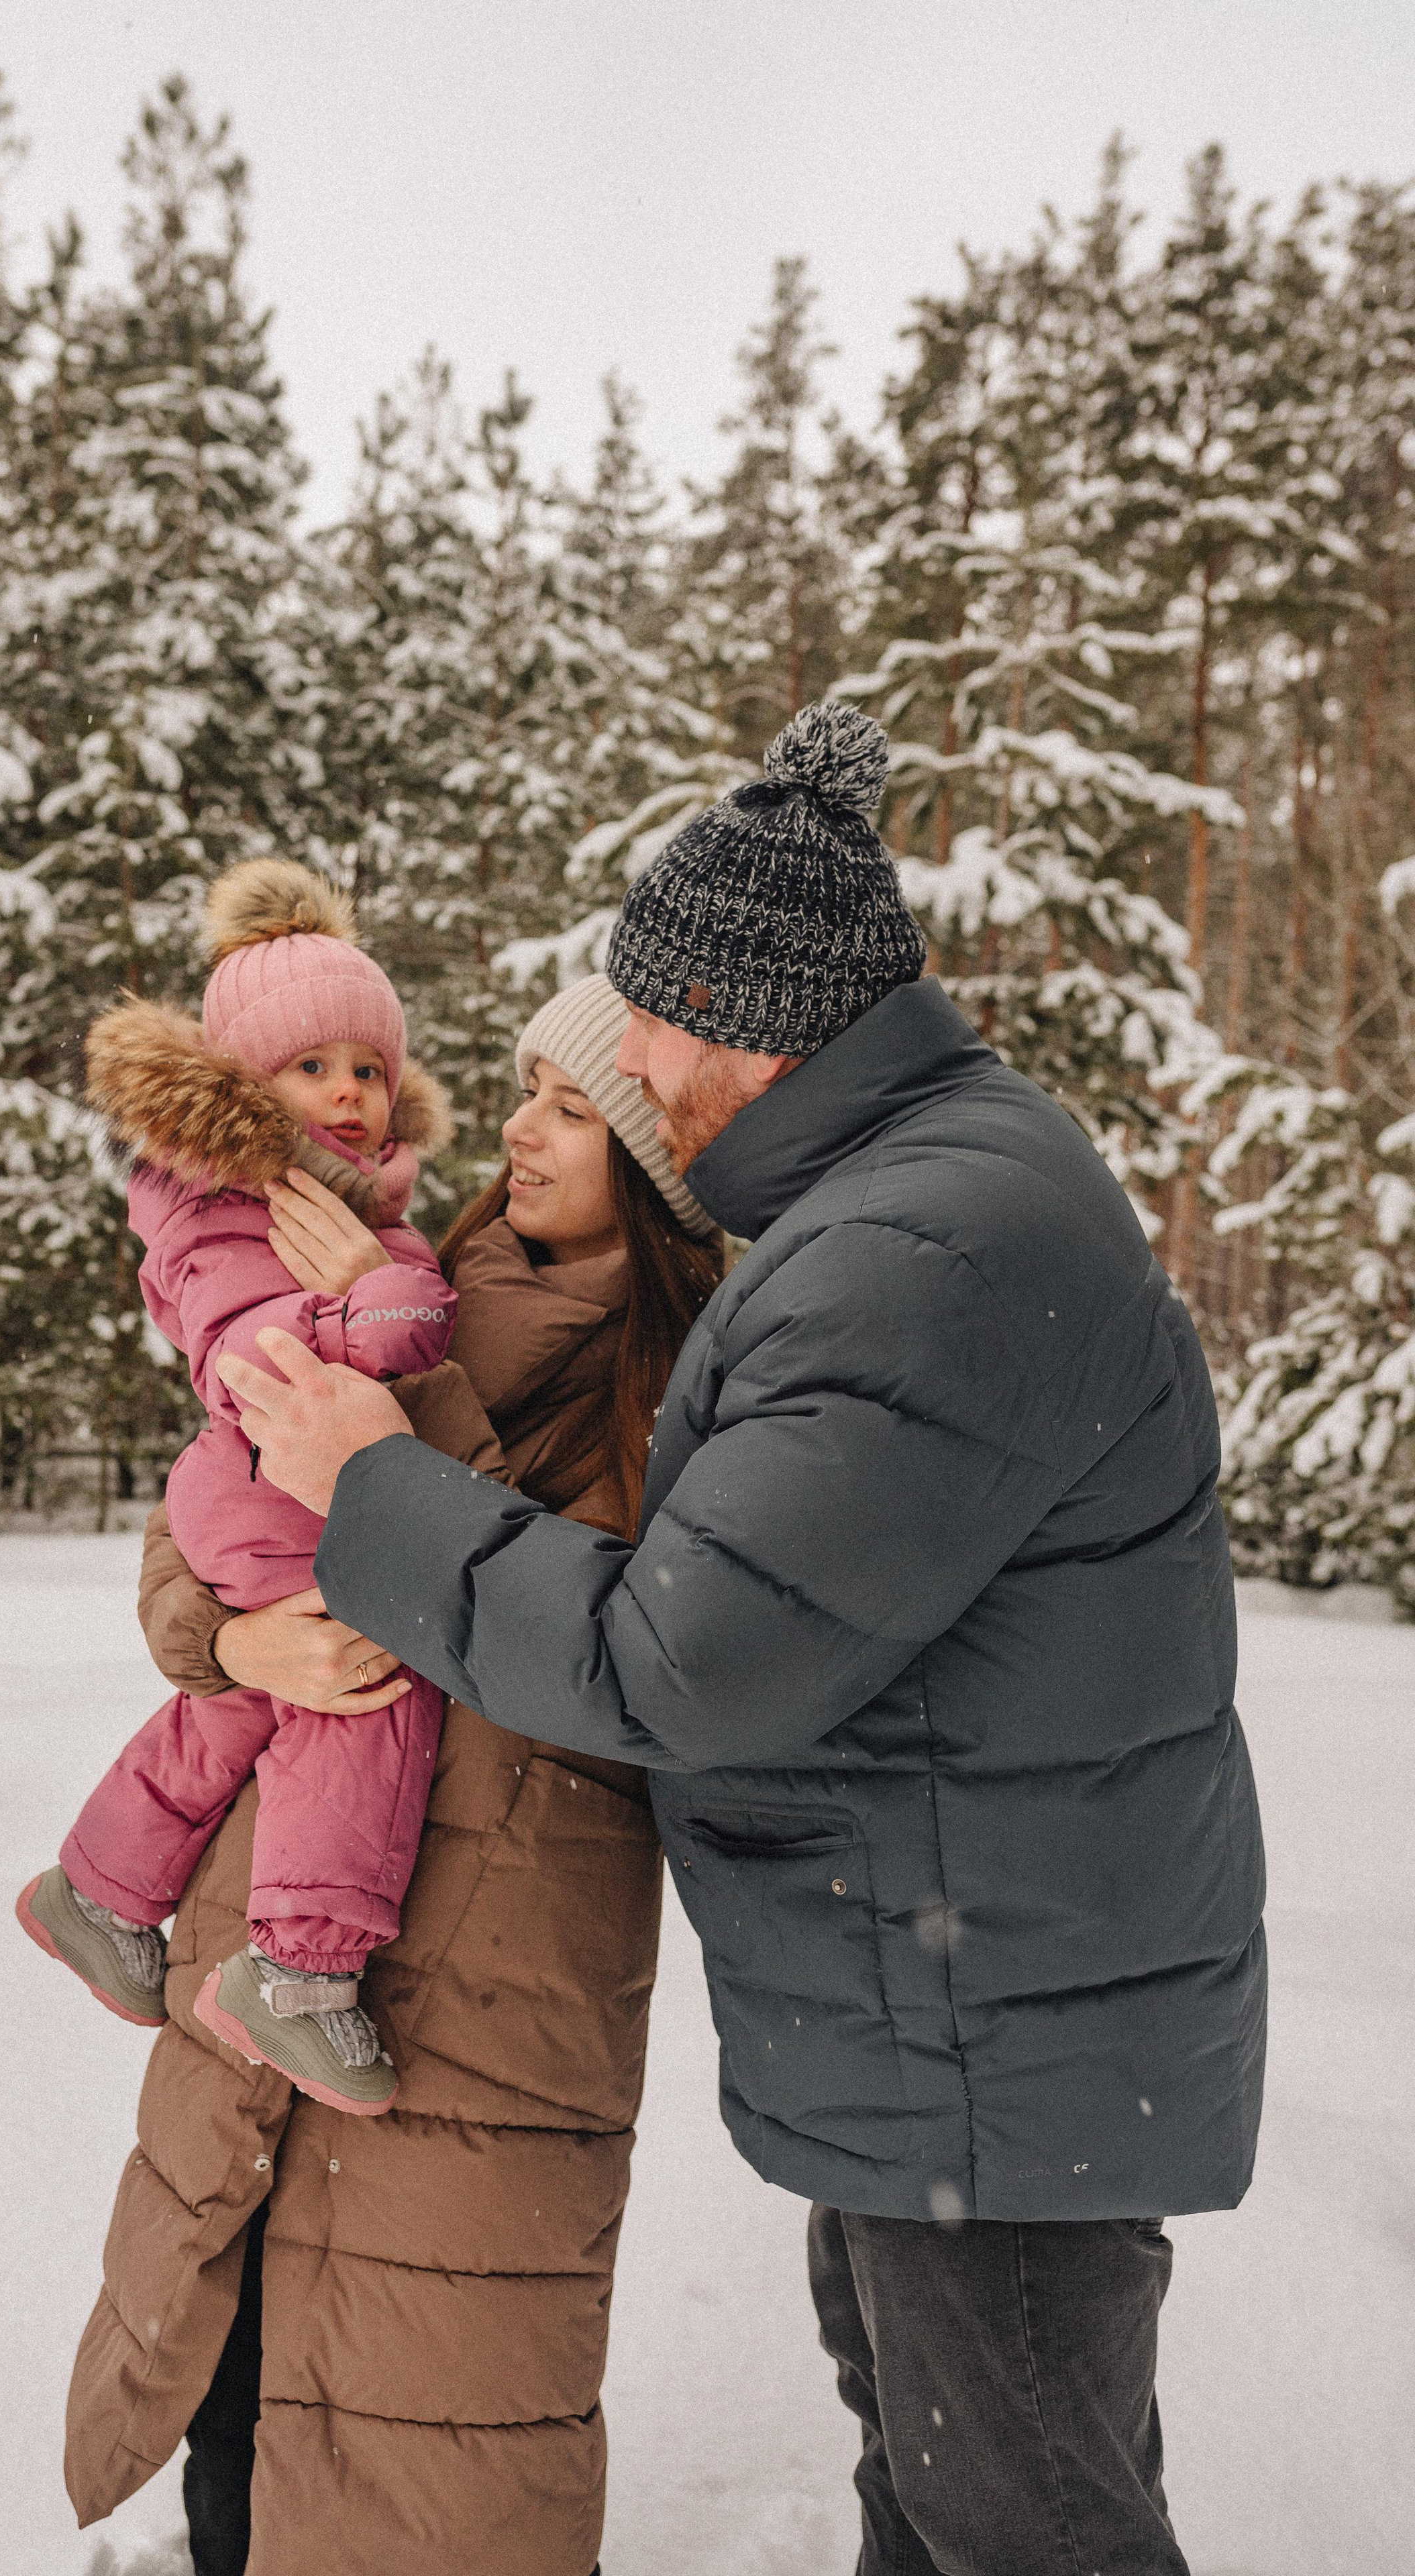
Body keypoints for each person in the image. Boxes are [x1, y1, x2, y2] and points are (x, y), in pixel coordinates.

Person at [223, 702, 1269, 2576]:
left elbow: (681, 1661)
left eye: (642, 1024)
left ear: (741, 1032)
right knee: (942, 2492)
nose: (624, 1064)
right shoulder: (918, 1200)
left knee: (1022, 2525)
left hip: (988, 2042)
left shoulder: (915, 1254)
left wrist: (378, 1485)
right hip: (974, 2019)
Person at [63, 975, 726, 2575]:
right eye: (515, 1087)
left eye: (569, 1106)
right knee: (235, 2340)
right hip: (275, 1907)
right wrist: (237, 1650)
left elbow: (627, 1657)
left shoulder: (700, 1366)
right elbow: (197, 1530)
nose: (515, 1126)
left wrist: (391, 1427)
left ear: (649, 1154)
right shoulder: (395, 1264)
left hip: (496, 1966)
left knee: (423, 2422)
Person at [18, 857, 457, 2109]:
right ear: (242, 1088)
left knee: (239, 1709)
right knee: (364, 1688)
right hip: (272, 1492)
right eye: (312, 1067)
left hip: (279, 1497)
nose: (352, 1095)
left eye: (368, 1069)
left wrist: (378, 1269)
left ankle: (100, 1892)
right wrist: (386, 1300)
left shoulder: (341, 1204)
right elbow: (258, 1368)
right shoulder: (223, 1203)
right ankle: (300, 1974)